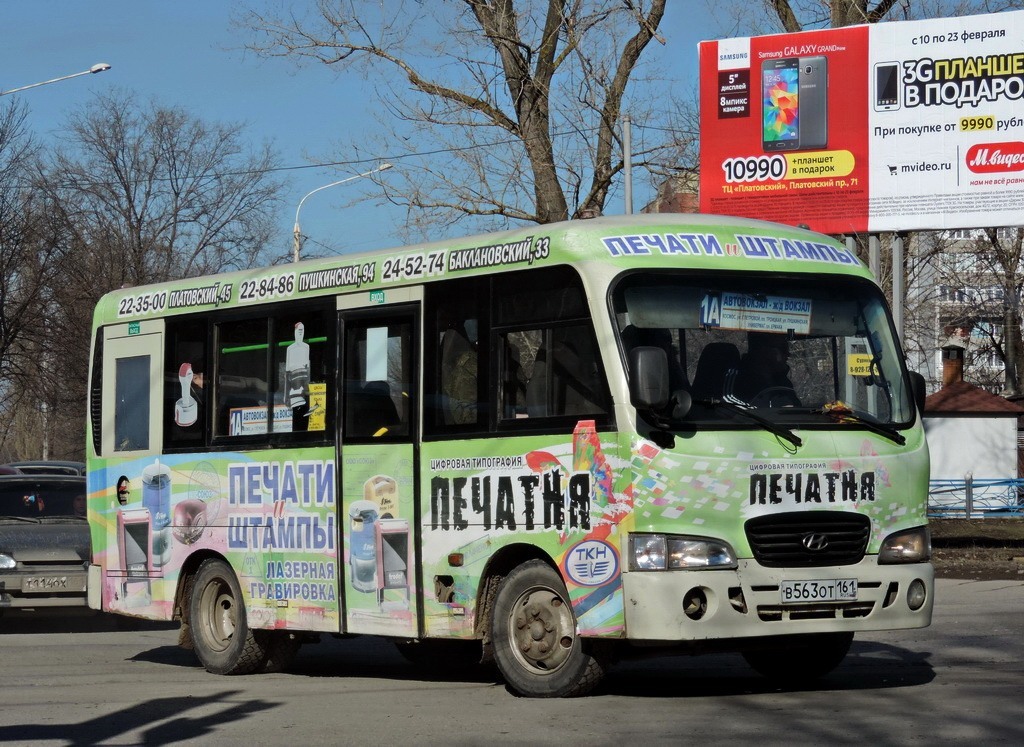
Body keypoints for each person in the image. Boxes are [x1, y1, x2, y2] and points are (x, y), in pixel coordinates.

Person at [735, 332, 796, 405]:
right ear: (763, 350)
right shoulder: (738, 379)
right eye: (783, 349)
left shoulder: (783, 382)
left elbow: (797, 410)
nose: (788, 354)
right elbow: (732, 410)